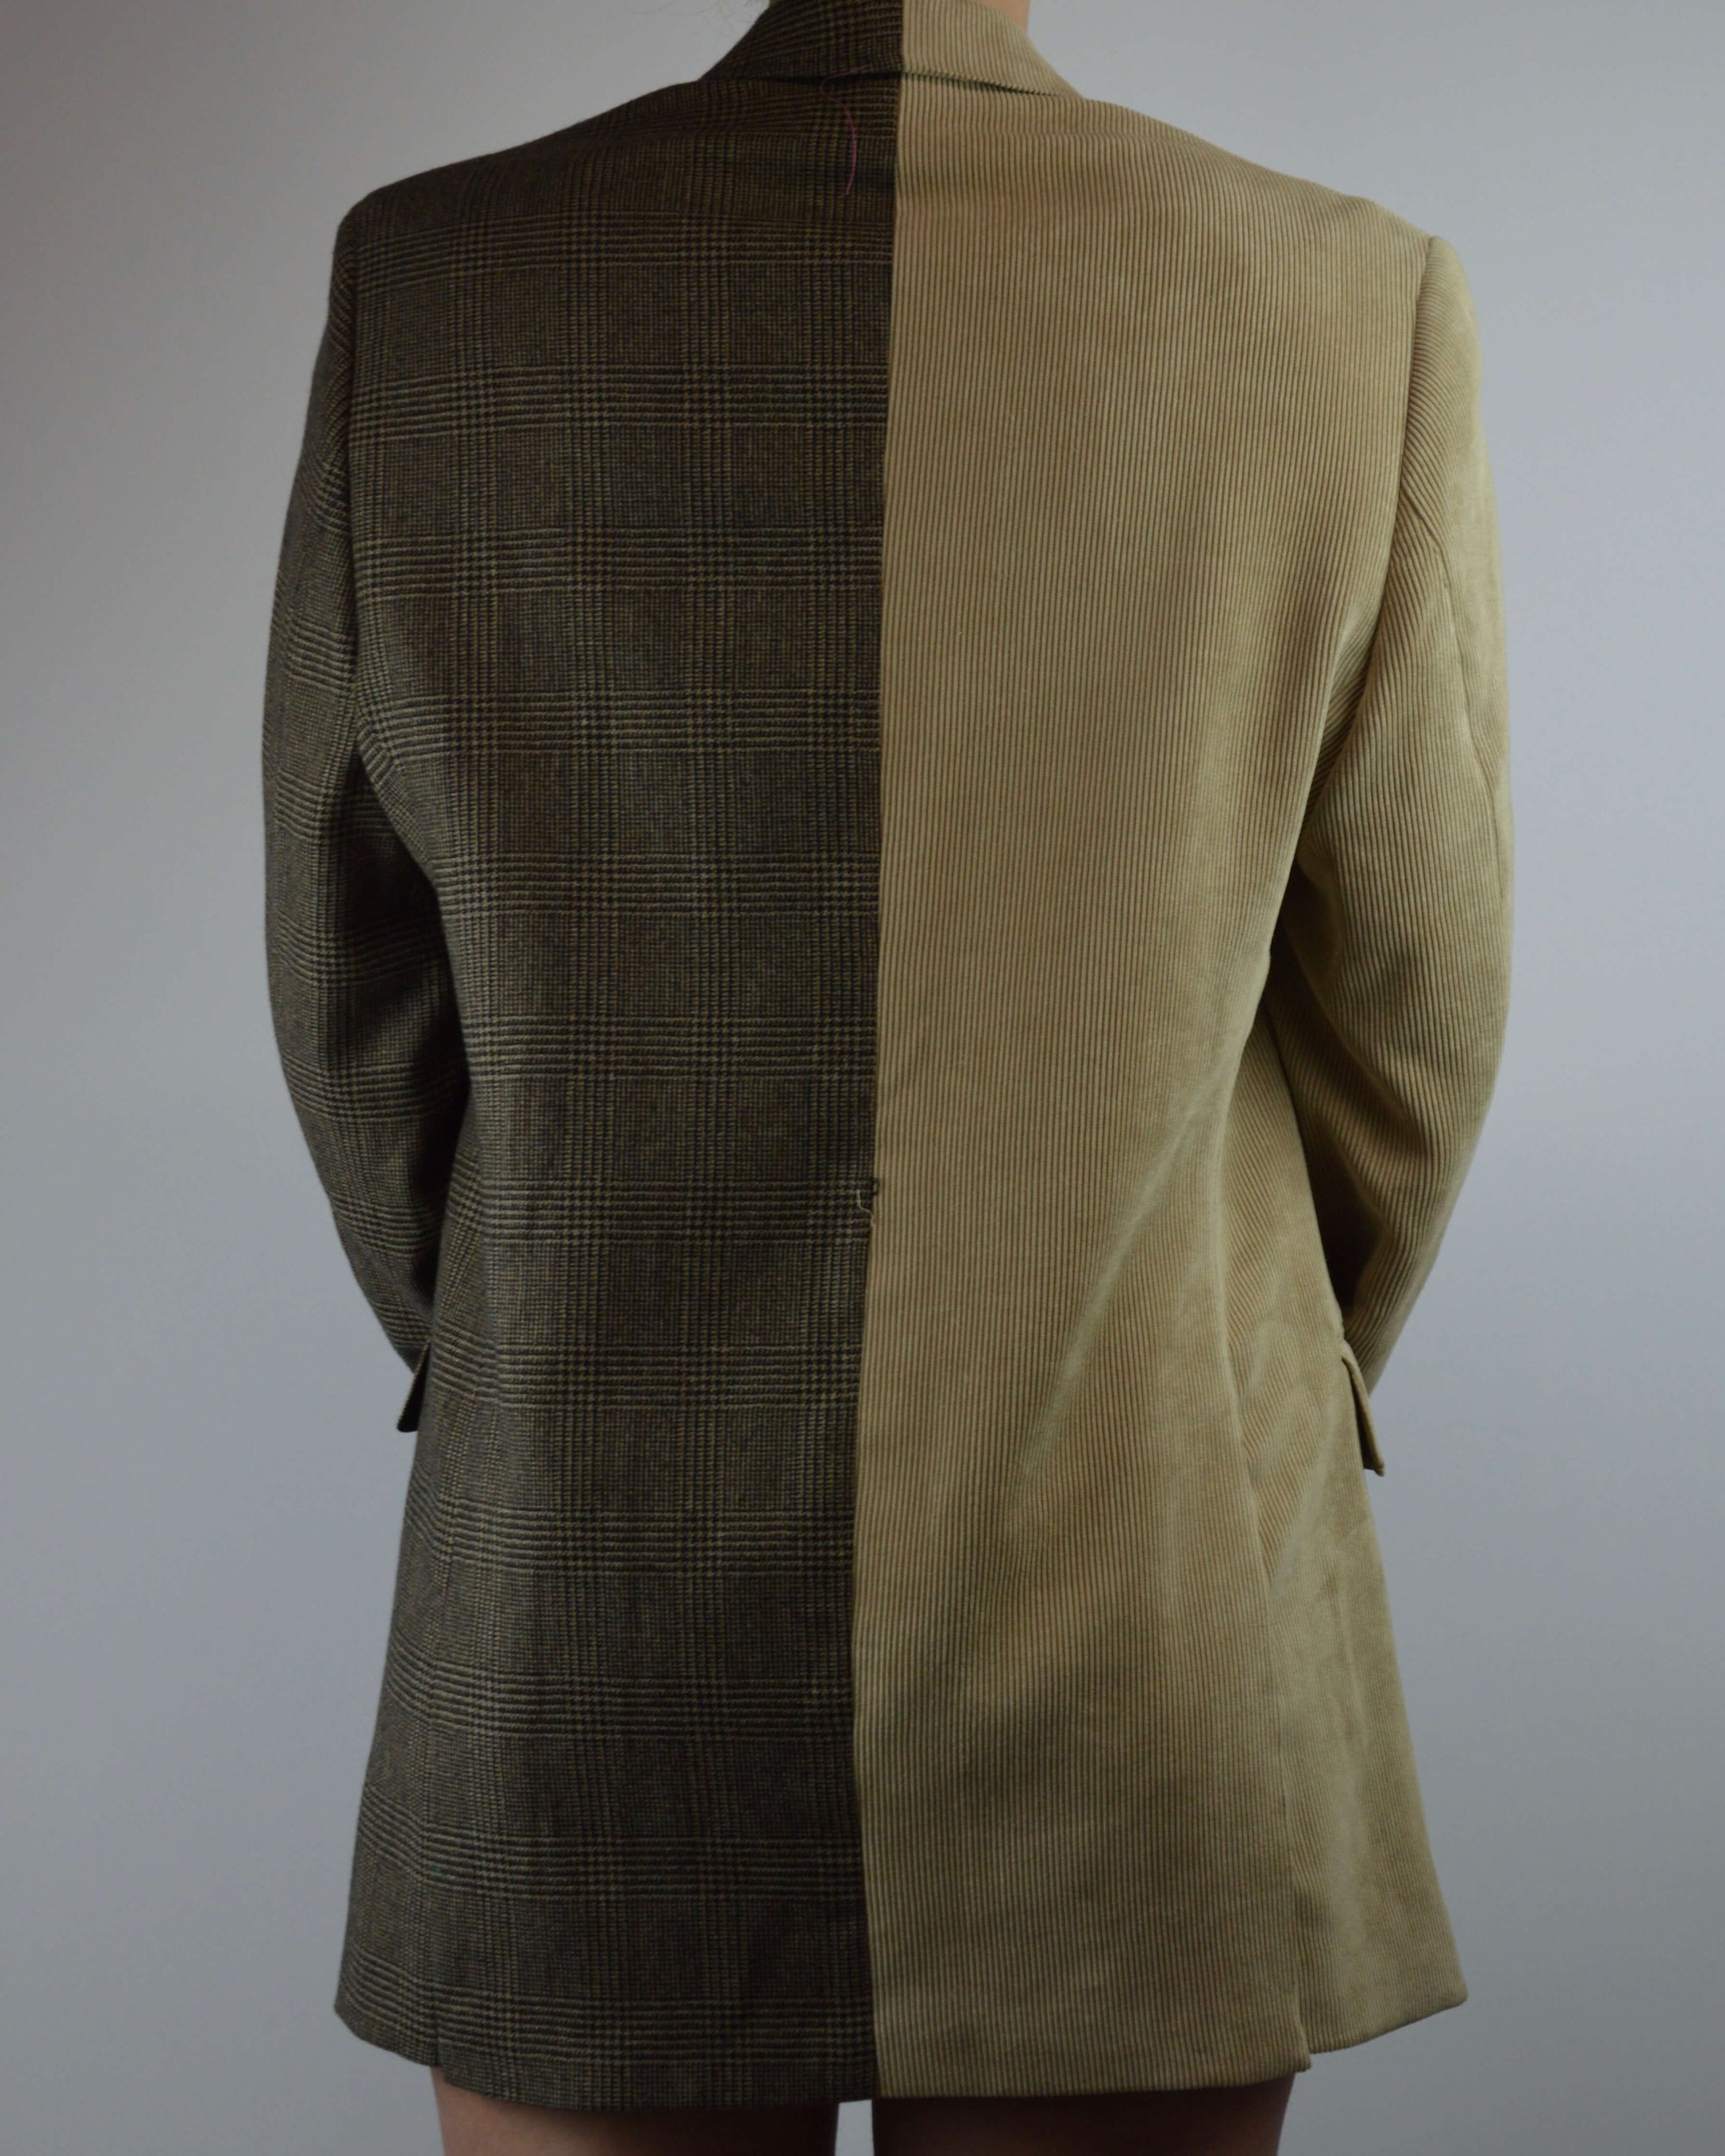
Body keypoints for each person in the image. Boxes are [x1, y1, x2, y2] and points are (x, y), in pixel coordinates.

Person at [261, 0, 1513, 2149]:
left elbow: (353, 987)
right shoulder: (1343, 297)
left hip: (593, 1589)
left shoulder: (437, 278)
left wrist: (537, 1345)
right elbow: (1415, 1012)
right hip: (1140, 1586)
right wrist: (1211, 1364)